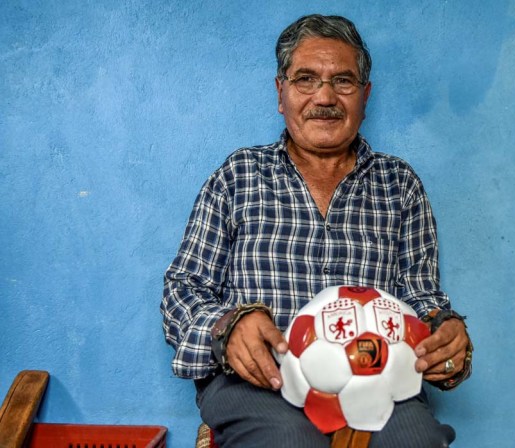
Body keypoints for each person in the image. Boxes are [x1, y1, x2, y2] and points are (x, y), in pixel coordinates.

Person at [161, 14, 472, 448]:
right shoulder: (238, 176)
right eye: (305, 79)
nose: (324, 97)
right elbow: (183, 289)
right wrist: (227, 327)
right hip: (261, 381)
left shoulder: (399, 184)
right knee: (292, 441)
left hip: (375, 382)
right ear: (281, 93)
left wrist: (445, 332)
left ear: (365, 97)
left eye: (343, 82)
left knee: (417, 442)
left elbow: (420, 296)